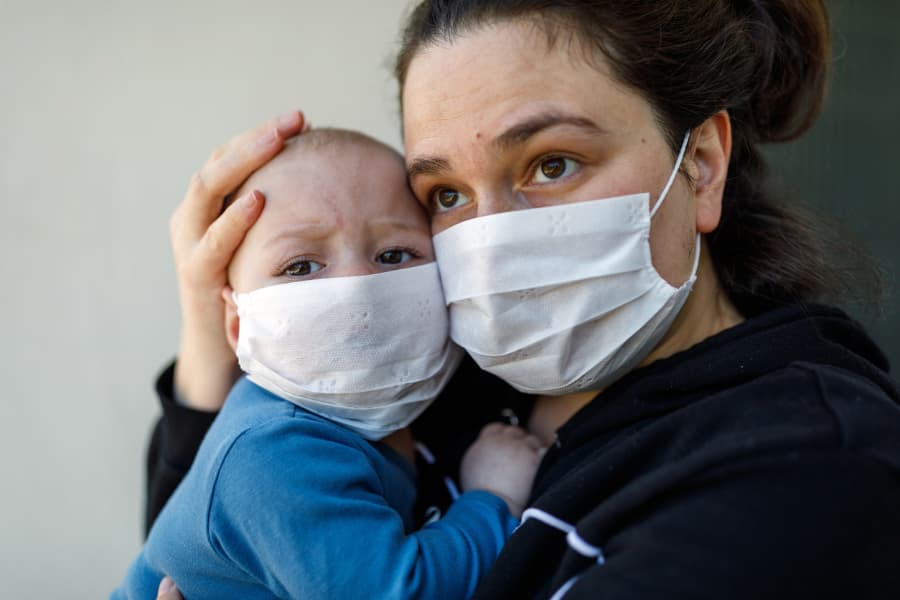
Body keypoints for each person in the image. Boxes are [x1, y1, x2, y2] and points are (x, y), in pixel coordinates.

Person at [146, 1, 900, 599]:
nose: (492, 240)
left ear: (700, 165)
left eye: (552, 163)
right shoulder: (429, 377)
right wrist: (211, 337)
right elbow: (220, 551)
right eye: (445, 193)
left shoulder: (806, 470)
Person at [115, 129, 543, 599]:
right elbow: (402, 592)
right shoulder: (272, 455)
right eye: (300, 267)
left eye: (394, 255)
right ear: (237, 323)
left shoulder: (361, 419)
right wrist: (494, 498)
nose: (358, 287)